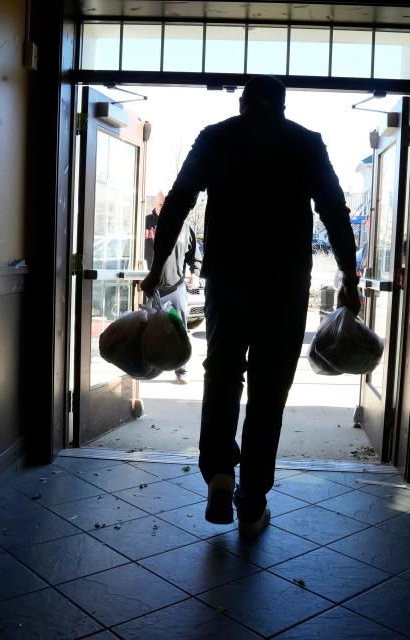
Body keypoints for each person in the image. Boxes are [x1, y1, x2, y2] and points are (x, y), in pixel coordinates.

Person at [140, 75, 360, 537]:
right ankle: (253, 497)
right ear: (281, 106)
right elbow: (336, 211)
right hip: (284, 284)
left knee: (222, 374)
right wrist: (348, 278)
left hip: (229, 279)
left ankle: (220, 473)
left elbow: (178, 202)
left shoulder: (216, 138)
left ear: (242, 104)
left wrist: (156, 267)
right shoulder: (306, 143)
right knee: (269, 388)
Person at [148, 193, 200, 384]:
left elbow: (195, 255)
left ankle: (181, 370)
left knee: (179, 330)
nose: (165, 208)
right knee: (149, 330)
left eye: (168, 204)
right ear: (156, 203)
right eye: (162, 204)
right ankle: (149, 368)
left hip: (175, 287)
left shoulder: (184, 227)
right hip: (150, 288)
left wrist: (195, 273)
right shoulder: (145, 224)